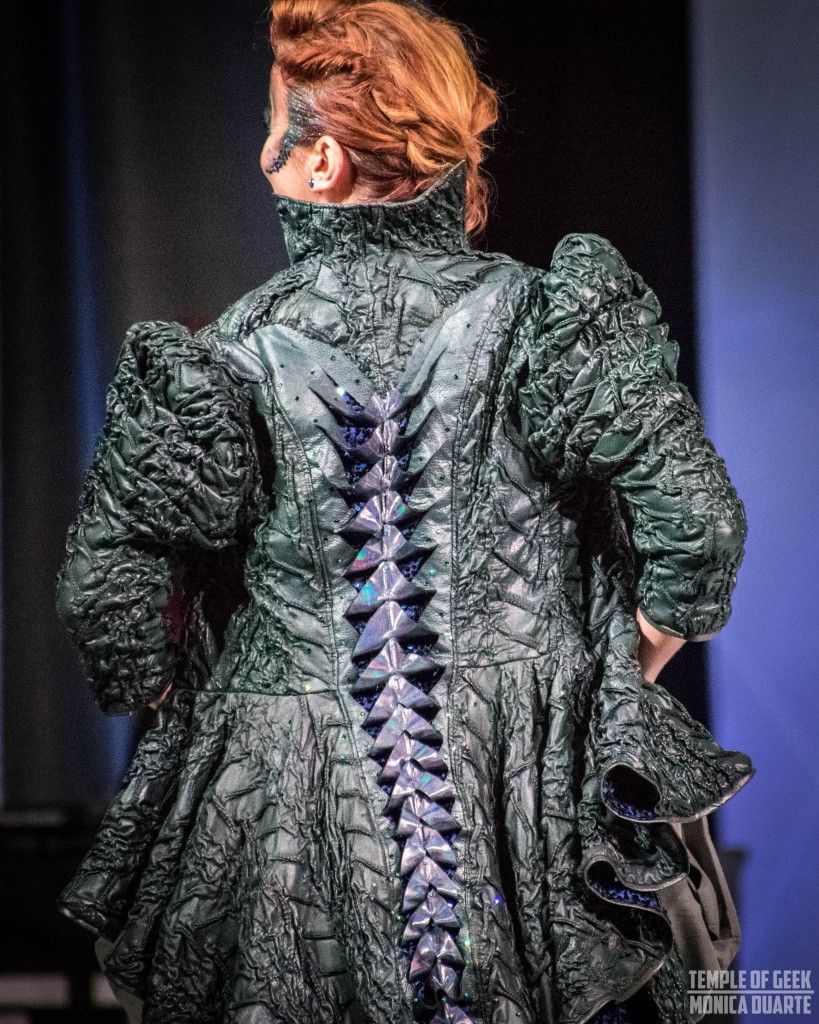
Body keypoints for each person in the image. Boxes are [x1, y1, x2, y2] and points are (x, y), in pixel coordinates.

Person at [54, 1, 755, 1022]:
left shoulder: (224, 358)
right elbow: (700, 528)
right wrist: (600, 673)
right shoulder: (544, 318)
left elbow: (106, 601)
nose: (262, 152)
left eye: (271, 126)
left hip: (284, 810)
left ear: (322, 161)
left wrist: (219, 708)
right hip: (530, 782)